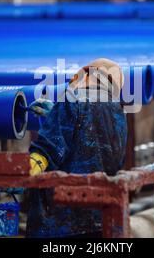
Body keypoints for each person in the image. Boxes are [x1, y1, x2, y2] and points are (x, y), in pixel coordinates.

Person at [26, 58, 127, 238]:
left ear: (88, 76)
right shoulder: (119, 114)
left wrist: (21, 178)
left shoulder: (72, 100)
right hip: (100, 217)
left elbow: (46, 151)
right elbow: (99, 147)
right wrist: (56, 115)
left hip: (61, 220)